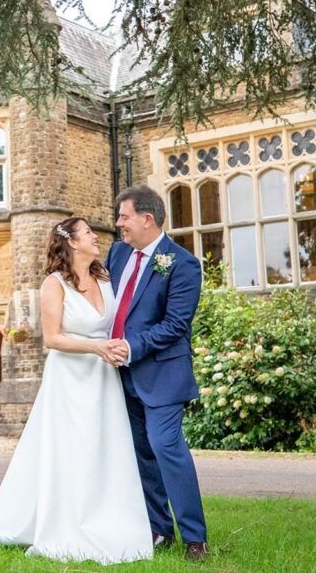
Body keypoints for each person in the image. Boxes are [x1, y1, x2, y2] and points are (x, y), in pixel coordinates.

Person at [0, 217, 153, 565]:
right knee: (73, 449)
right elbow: (53, 338)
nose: (96, 237)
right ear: (72, 242)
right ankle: (66, 522)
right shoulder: (54, 284)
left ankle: (111, 518)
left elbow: (118, 323)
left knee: (105, 447)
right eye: (88, 232)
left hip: (104, 378)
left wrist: (117, 347)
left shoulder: (105, 279)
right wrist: (97, 348)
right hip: (70, 378)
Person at [107, 185, 209, 562]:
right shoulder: (117, 253)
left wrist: (132, 347)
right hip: (120, 375)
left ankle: (195, 537)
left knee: (166, 447)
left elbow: (176, 324)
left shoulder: (182, 264)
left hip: (163, 375)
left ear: (147, 219)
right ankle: (159, 530)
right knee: (141, 453)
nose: (119, 224)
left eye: (124, 217)